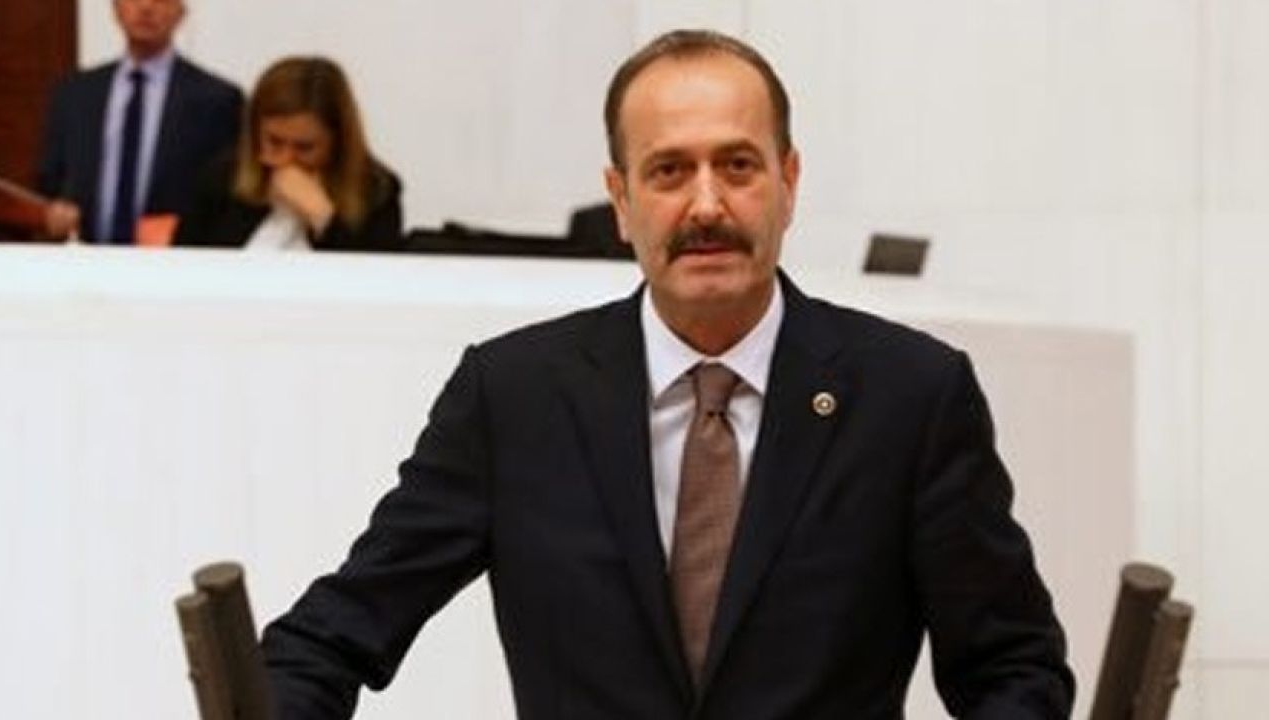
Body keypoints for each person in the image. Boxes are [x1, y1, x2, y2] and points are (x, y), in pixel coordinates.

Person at [261, 29, 1074, 718]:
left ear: (789, 184)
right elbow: (331, 636)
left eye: (738, 165)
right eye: (669, 171)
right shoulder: (512, 398)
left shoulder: (910, 398)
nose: (707, 205)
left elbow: (1013, 670)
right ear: (620, 201)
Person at [37, 0, 242, 243]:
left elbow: (225, 197)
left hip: (175, 257)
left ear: (181, 12)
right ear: (115, 8)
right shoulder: (75, 93)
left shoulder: (217, 100)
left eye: (161, 0)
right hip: (86, 254)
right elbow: (50, 181)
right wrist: (57, 212)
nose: (146, 7)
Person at [174, 56, 404, 252]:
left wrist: (322, 216)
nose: (286, 159)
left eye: (305, 148)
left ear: (338, 141)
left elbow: (374, 278)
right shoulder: (223, 178)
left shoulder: (376, 189)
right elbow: (181, 265)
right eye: (274, 142)